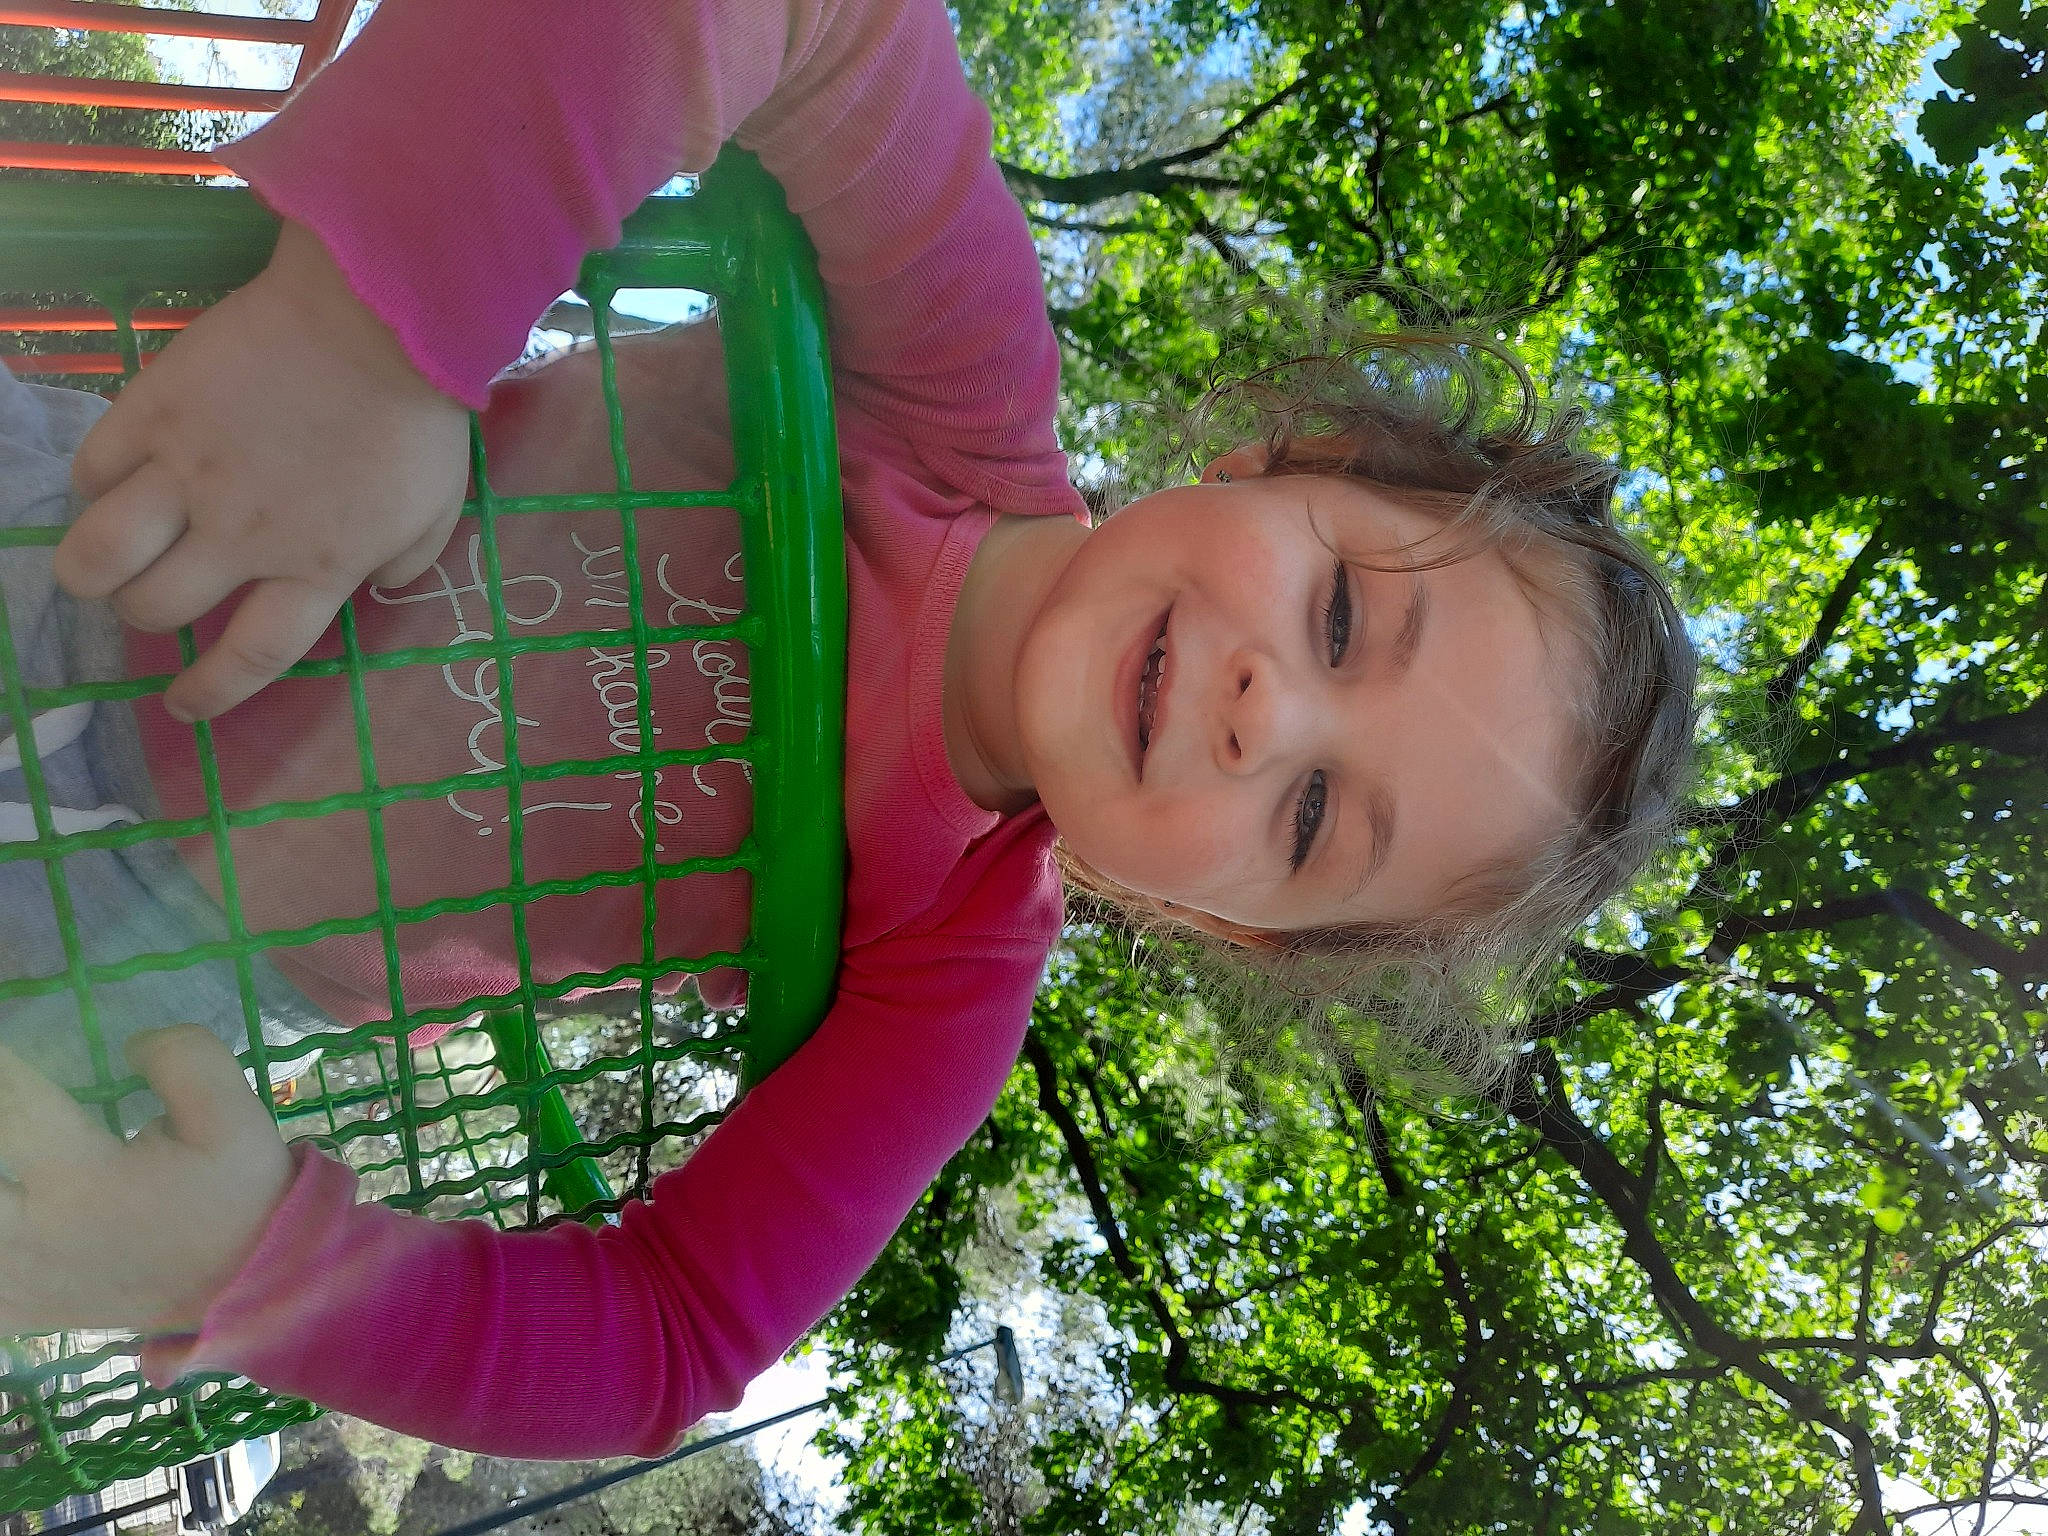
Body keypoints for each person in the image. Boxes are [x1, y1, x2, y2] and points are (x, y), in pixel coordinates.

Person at [0, 0, 1696, 1460]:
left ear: (1214, 918)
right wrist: (373, 339)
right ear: (1264, 465)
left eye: (1318, 820)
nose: (1272, 713)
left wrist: (236, 1267)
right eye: (1340, 618)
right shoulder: (956, 386)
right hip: (89, 536)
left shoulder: (949, 968)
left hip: (142, 944)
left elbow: (670, 1338)